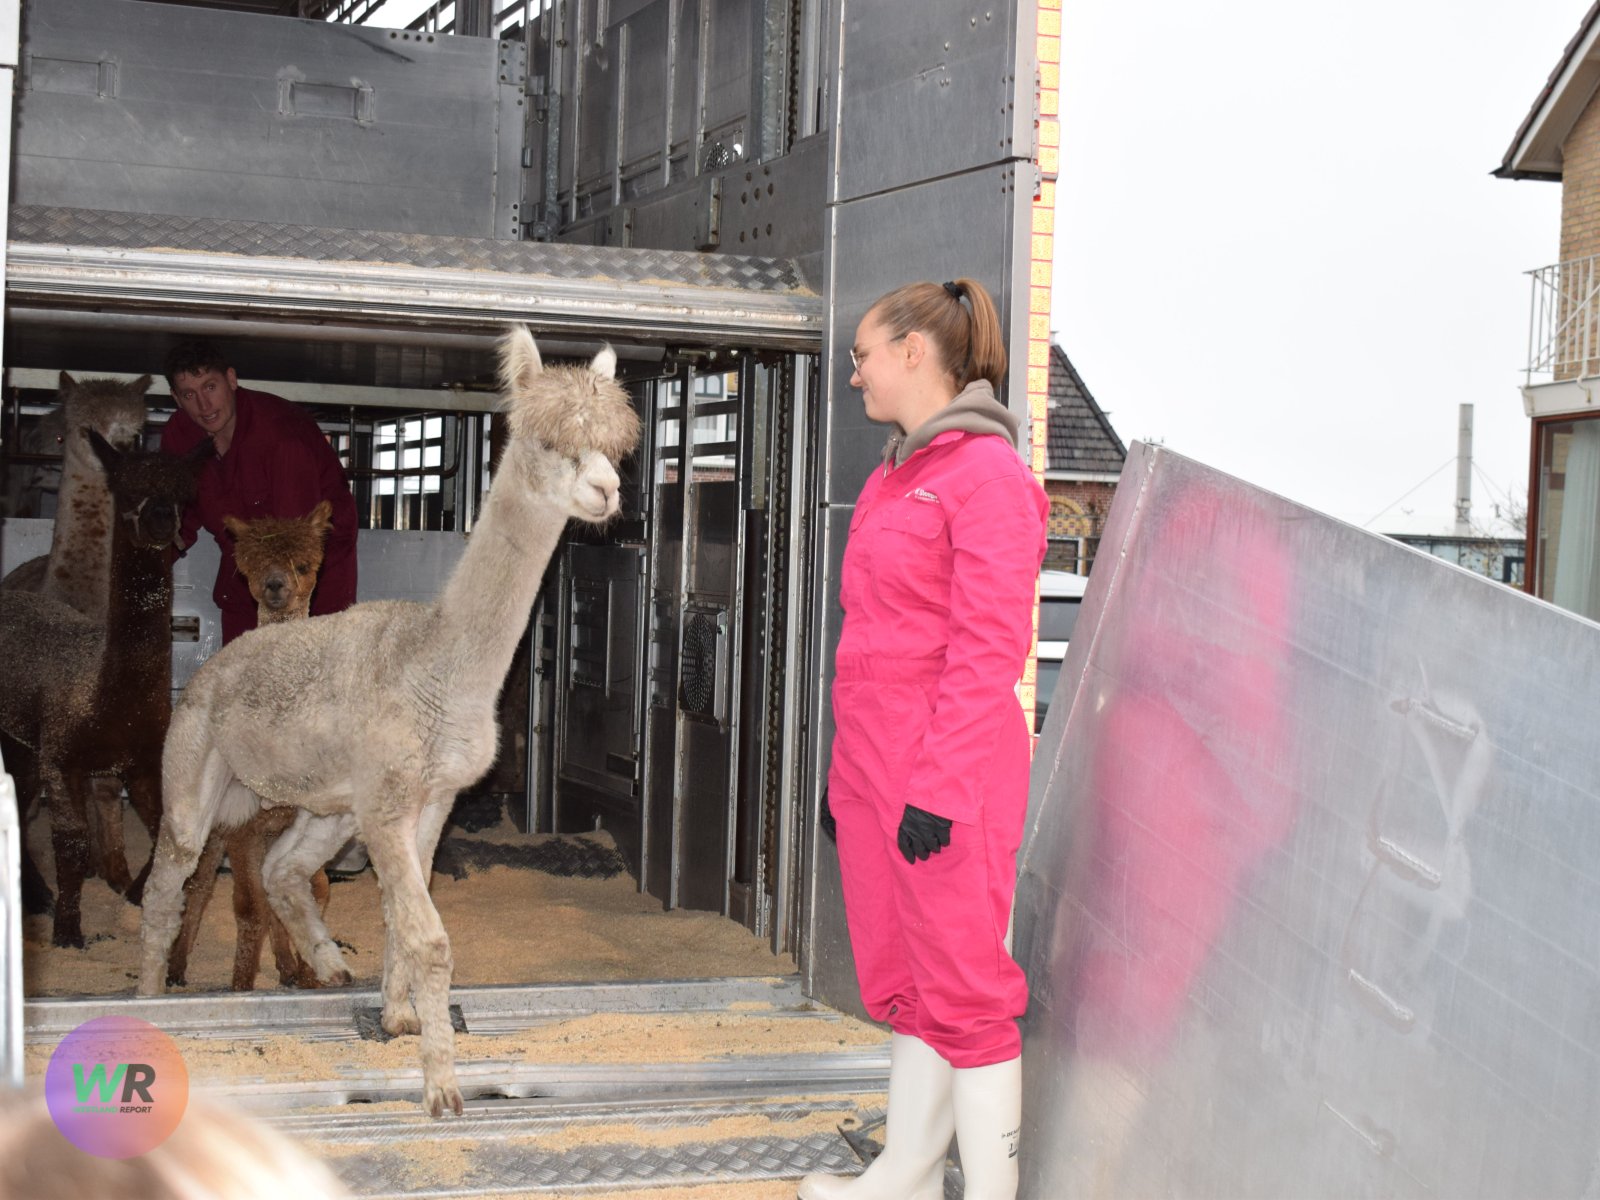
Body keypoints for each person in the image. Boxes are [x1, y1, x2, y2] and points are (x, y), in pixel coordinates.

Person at [800, 279, 1048, 1200]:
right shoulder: (891, 475)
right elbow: (865, 639)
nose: (854, 371)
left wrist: (937, 789)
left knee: (969, 995)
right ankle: (903, 1175)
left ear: (914, 352)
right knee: (904, 983)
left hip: (949, 776)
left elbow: (990, 649)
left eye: (864, 352)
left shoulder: (990, 479)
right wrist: (845, 781)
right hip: (875, 771)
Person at [159, 339, 358, 645]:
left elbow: (294, 542)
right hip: (245, 564)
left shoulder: (281, 439)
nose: (204, 405)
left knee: (308, 660)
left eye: (210, 387)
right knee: (241, 669)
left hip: (309, 569)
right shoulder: (179, 436)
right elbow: (175, 518)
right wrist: (143, 569)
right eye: (189, 394)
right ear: (176, 398)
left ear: (232, 379)